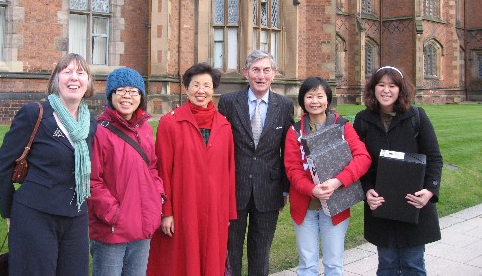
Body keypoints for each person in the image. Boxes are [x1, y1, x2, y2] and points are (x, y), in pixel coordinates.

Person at [0, 53, 96, 276]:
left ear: (88, 82)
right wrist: (9, 212)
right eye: (66, 71)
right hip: (35, 214)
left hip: (75, 216)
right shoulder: (35, 113)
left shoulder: (90, 122)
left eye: (80, 73)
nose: (74, 78)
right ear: (56, 79)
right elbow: (2, 165)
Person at [147, 62, 236, 276]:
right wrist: (166, 212)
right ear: (186, 88)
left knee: (211, 261)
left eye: (207, 85)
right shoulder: (171, 123)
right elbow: (162, 171)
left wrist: (227, 214)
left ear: (213, 90)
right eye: (196, 85)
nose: (201, 91)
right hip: (182, 207)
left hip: (215, 209)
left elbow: (229, 172)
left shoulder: (224, 126)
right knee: (181, 262)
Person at [353, 66, 443, 276]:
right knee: (387, 266)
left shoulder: (417, 116)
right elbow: (358, 163)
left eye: (392, 86)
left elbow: (434, 158)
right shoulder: (363, 120)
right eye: (381, 85)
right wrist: (367, 191)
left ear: (400, 89)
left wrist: (430, 191)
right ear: (373, 88)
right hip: (381, 205)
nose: (386, 90)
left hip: (413, 203)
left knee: (413, 265)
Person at [284, 76, 371, 276]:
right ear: (302, 100)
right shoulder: (295, 131)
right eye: (309, 96)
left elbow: (363, 157)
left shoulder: (342, 126)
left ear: (328, 99)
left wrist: (337, 181)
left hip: (336, 203)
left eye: (320, 96)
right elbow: (292, 169)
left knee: (333, 264)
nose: (315, 101)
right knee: (307, 264)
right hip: (305, 207)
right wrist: (311, 189)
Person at [218, 50, 295, 276]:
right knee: (231, 253)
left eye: (266, 70)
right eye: (256, 70)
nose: (261, 76)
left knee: (260, 254)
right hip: (234, 188)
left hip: (268, 190)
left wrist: (284, 189)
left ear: (274, 74)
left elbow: (286, 151)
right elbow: (221, 149)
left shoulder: (284, 106)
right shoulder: (229, 102)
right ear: (246, 73)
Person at [88, 67, 165, 276]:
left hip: (142, 223)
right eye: (120, 90)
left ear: (140, 96)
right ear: (111, 95)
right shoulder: (99, 131)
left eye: (133, 91)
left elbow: (152, 166)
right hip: (112, 228)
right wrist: (114, 214)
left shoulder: (145, 129)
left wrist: (157, 196)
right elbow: (92, 181)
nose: (127, 96)